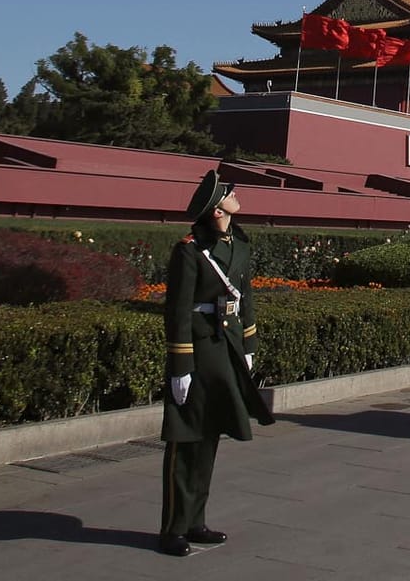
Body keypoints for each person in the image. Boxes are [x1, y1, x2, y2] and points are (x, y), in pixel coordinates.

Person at [160, 170, 274, 557]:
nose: (236, 195)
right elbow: (176, 311)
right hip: (197, 349)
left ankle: (196, 521)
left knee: (209, 437)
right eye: (229, 193)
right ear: (216, 210)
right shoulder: (190, 250)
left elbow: (246, 297)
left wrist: (248, 343)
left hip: (225, 348)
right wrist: (180, 366)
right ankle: (172, 527)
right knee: (185, 439)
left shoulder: (238, 243)